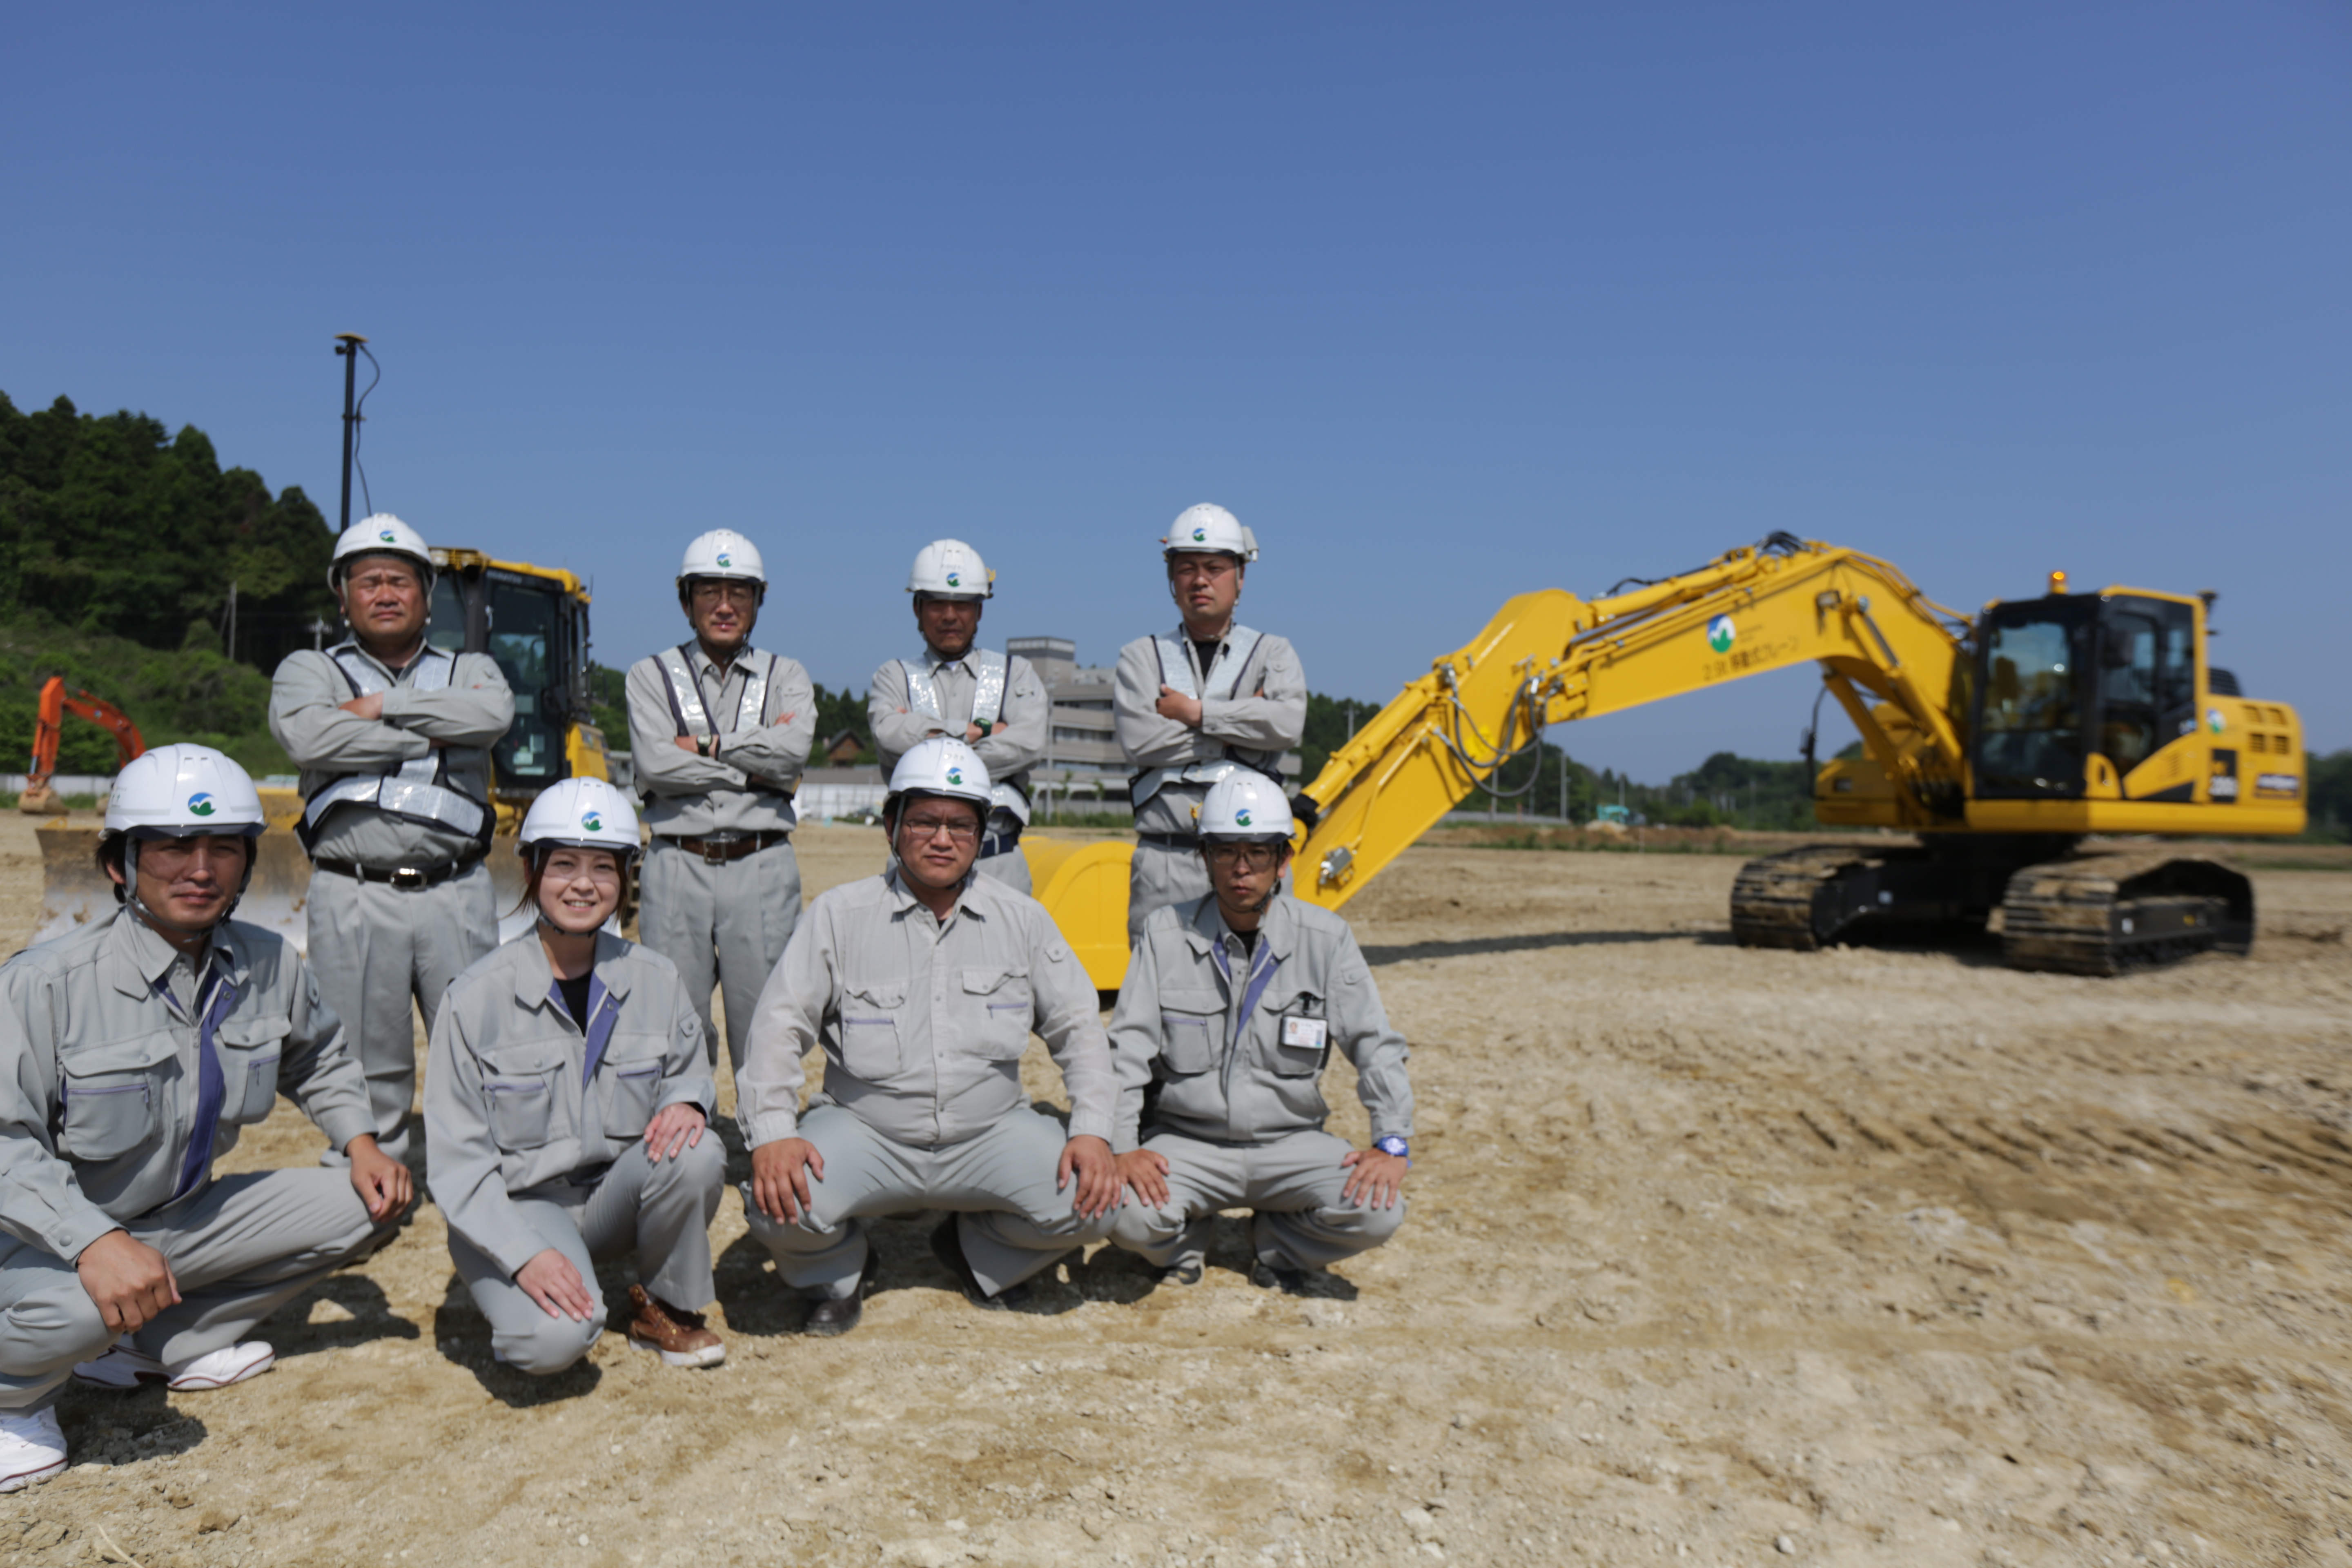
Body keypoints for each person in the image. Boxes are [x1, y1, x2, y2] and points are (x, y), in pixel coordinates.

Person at [0, 747, 410, 1493]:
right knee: (83, 1304)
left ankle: (151, 1341)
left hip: (174, 1220)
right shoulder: (43, 983)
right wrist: (93, 1241)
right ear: (120, 864)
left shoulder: (268, 962)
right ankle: (13, 1401)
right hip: (41, 1242)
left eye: (224, 847)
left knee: (372, 1203)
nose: (200, 868)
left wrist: (359, 1141)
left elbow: (315, 1057)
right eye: (172, 846)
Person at [738, 738, 1120, 1336]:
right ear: (891, 825)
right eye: (924, 821)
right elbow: (779, 1029)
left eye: (960, 825)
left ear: (981, 833)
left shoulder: (1023, 920)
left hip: (988, 1132)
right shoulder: (839, 916)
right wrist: (772, 1134)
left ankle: (974, 1251)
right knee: (774, 1205)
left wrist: (1095, 1132)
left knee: (1101, 1202)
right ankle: (842, 1273)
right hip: (868, 1131)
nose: (943, 839)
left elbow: (1081, 1032)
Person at [425, 778, 726, 1374]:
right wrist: (522, 1254)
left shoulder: (657, 979)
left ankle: (662, 1307)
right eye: (564, 864)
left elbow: (690, 1073)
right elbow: (458, 1164)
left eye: (603, 868)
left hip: (615, 1199)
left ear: (625, 879)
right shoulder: (474, 998)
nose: (584, 884)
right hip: (522, 1205)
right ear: (532, 869)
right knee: (554, 1342)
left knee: (698, 1150)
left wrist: (689, 1102)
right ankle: (527, 1291)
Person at [268, 514, 516, 1167]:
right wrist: (431, 734)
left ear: (426, 596)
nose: (384, 593)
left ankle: (488, 1176)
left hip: (455, 889)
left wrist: (379, 709)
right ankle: (372, 1178)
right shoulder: (308, 671)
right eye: (368, 581)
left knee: (480, 1045)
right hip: (353, 892)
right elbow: (308, 738)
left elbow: (491, 717)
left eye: (399, 581)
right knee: (360, 1054)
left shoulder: (473, 668)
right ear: (343, 596)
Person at [1107, 773, 1412, 1293]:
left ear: (1283, 862)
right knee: (1120, 1212)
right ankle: (1184, 1242)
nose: (1242, 869)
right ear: (1205, 859)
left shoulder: (1327, 939)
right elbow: (1126, 1050)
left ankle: (1278, 1244)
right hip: (1190, 1144)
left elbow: (1374, 1044)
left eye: (1258, 854)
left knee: (1378, 1210)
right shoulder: (1164, 934)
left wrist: (1391, 1139)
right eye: (1226, 853)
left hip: (1291, 1142)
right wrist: (1119, 1145)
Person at [626, 529, 815, 1079]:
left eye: (741, 593)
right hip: (675, 861)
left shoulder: (789, 675)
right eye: (709, 592)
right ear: (686, 600)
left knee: (766, 1019)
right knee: (675, 1018)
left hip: (761, 863)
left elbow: (794, 755)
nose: (725, 606)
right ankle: (690, 1146)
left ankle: (766, 1143)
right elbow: (656, 766)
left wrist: (709, 747)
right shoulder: (650, 675)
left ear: (760, 600)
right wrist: (758, 765)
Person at [1113, 503, 1306, 941]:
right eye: (1187, 568)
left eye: (1215, 567)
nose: (1200, 580)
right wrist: (1242, 731)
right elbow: (1141, 741)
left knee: (1265, 988)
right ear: (1171, 579)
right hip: (1167, 858)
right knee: (1162, 995)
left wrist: (1196, 714)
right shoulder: (1140, 656)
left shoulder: (1273, 652)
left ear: (1240, 577)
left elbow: (1288, 724)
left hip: (1253, 864)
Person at [867, 539, 1049, 892]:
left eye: (963, 604)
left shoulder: (1017, 673)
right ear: (917, 608)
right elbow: (889, 736)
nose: (950, 615)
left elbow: (1028, 745)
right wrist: (976, 732)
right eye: (937, 603)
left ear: (980, 610)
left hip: (999, 864)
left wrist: (926, 749)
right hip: (914, 869)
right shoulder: (893, 676)